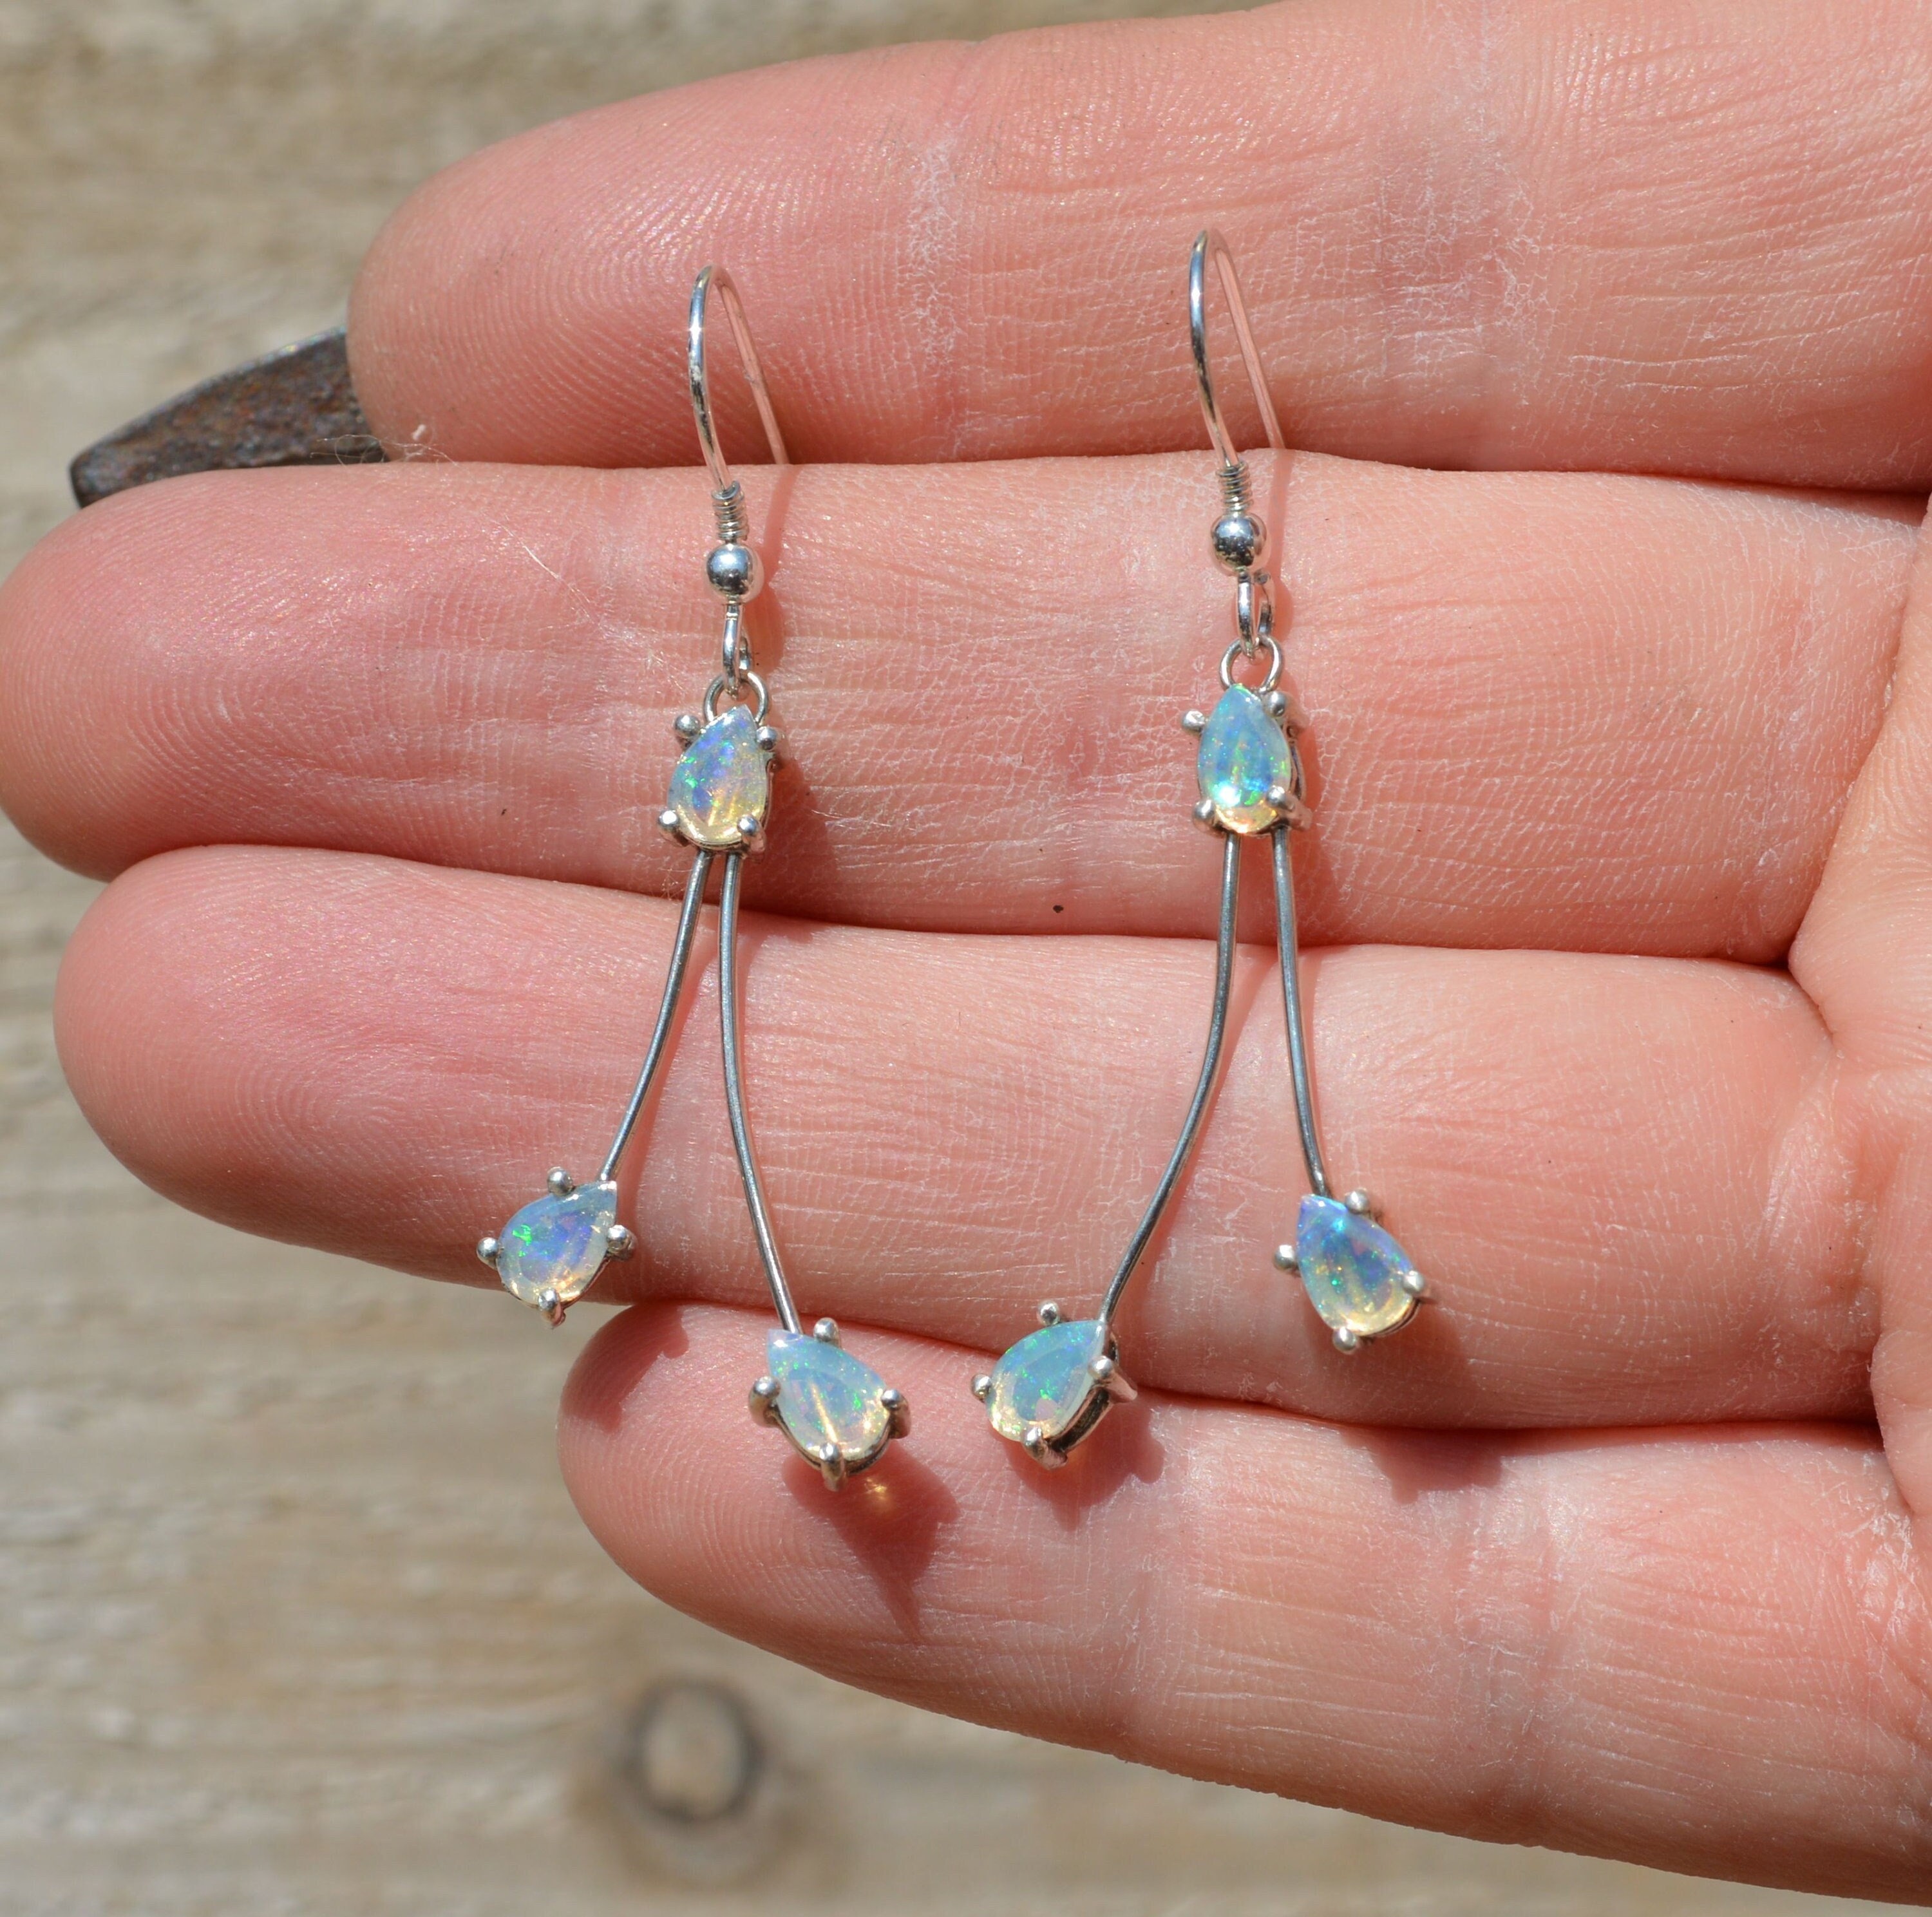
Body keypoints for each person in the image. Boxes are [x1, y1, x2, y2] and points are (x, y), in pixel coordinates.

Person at [1, 1, 1928, 1900]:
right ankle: (931, 1240)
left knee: (1203, 1039)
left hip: (1144, 759)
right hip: (874, 763)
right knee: (785, 1031)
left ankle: (1224, 1240)